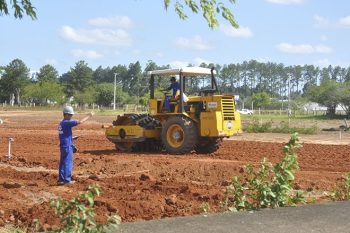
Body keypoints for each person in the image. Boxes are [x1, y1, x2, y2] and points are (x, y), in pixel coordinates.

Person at [58, 106, 94, 185]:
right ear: (66, 114)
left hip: (63, 145)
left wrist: (72, 138)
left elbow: (63, 135)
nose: (71, 117)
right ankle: (67, 180)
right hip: (67, 146)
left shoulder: (61, 123)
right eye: (70, 115)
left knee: (62, 162)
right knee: (68, 162)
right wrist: (89, 115)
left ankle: (61, 179)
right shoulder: (67, 122)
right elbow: (80, 122)